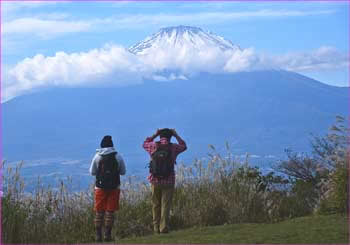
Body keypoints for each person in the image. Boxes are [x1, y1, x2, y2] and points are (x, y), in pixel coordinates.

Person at [143, 128, 187, 234]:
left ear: (160, 136)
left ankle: (155, 228)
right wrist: (176, 135)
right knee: (165, 205)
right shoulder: (173, 147)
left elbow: (144, 143)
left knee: (155, 204)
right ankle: (163, 228)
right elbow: (184, 146)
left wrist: (155, 134)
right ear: (170, 137)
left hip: (155, 180)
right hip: (169, 180)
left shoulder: (153, 146)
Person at [89, 135, 126, 242]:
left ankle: (98, 235)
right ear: (112, 145)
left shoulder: (97, 156)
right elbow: (123, 172)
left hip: (100, 187)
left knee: (99, 211)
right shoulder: (117, 156)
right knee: (110, 211)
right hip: (114, 187)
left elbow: (92, 172)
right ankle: (107, 235)